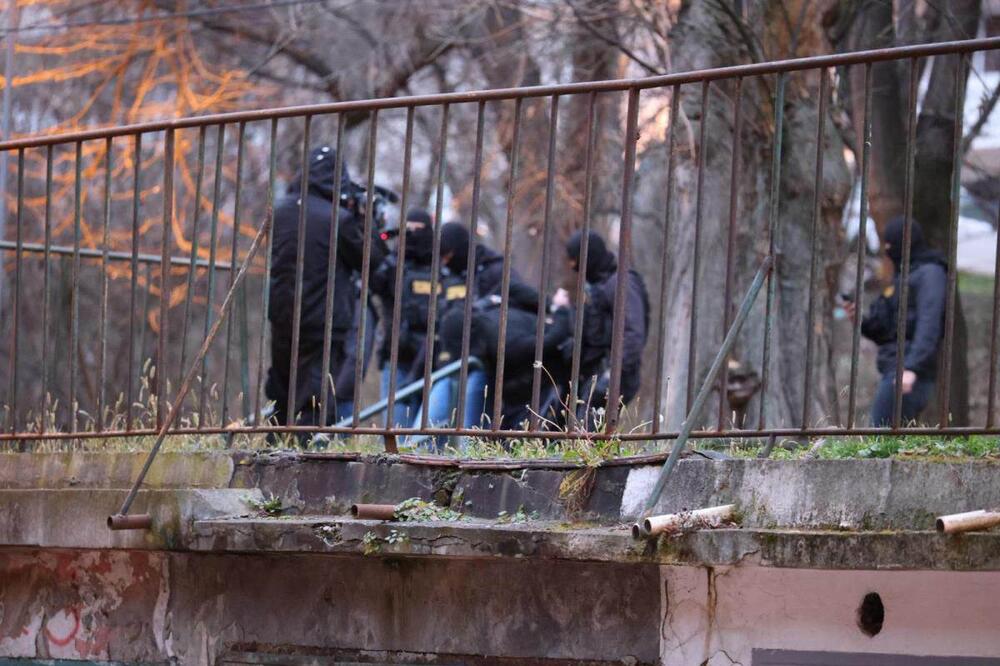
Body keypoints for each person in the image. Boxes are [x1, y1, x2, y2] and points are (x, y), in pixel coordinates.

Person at [265, 145, 387, 430]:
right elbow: (372, 260)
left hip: (282, 312)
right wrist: (363, 221)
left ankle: (273, 443)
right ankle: (309, 450)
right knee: (316, 392)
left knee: (283, 383)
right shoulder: (338, 219)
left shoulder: (281, 211)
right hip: (324, 317)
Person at [845, 216, 946, 427]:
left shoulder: (930, 274)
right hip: (895, 368)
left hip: (907, 371)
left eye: (891, 243)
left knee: (881, 438)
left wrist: (912, 368)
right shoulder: (904, 277)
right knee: (885, 438)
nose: (887, 249)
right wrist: (860, 321)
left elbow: (929, 324)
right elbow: (888, 331)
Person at [550, 230, 649, 429]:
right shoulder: (600, 286)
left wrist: (613, 373)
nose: (573, 267)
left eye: (576, 260)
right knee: (561, 426)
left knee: (586, 433)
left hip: (614, 374)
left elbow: (632, 333)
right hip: (593, 373)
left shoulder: (621, 284)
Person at [371, 208, 436, 427]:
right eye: (408, 230)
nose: (413, 235)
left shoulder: (439, 267)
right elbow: (374, 283)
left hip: (432, 356)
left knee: (430, 432)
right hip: (397, 352)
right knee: (395, 427)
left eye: (419, 230)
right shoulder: (393, 264)